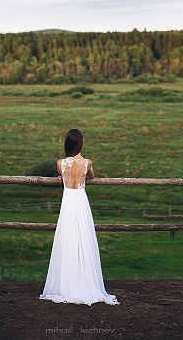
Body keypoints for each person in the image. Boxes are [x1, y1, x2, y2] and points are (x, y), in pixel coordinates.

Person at [39, 128, 119, 305]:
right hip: (81, 201)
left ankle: (66, 283)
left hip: (68, 201)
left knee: (67, 239)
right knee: (84, 238)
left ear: (67, 144)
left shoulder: (60, 163)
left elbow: (62, 179)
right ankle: (85, 281)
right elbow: (91, 176)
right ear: (81, 144)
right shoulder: (87, 163)